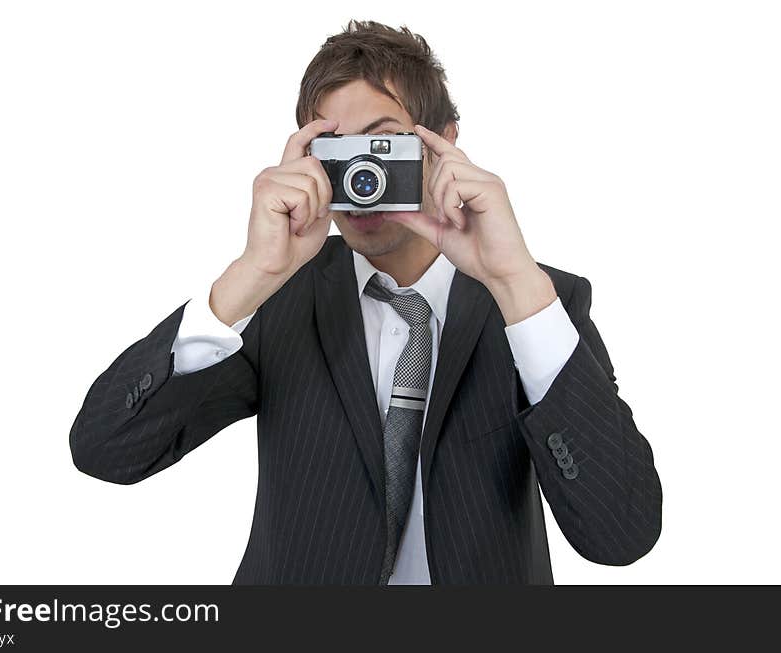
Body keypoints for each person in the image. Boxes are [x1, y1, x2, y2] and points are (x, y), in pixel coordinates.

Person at [69, 20, 662, 584]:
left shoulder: (538, 300)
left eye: (384, 142)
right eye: (335, 148)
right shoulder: (277, 300)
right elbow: (106, 451)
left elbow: (622, 536)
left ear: (445, 142)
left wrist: (516, 285)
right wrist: (251, 275)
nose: (362, 174)